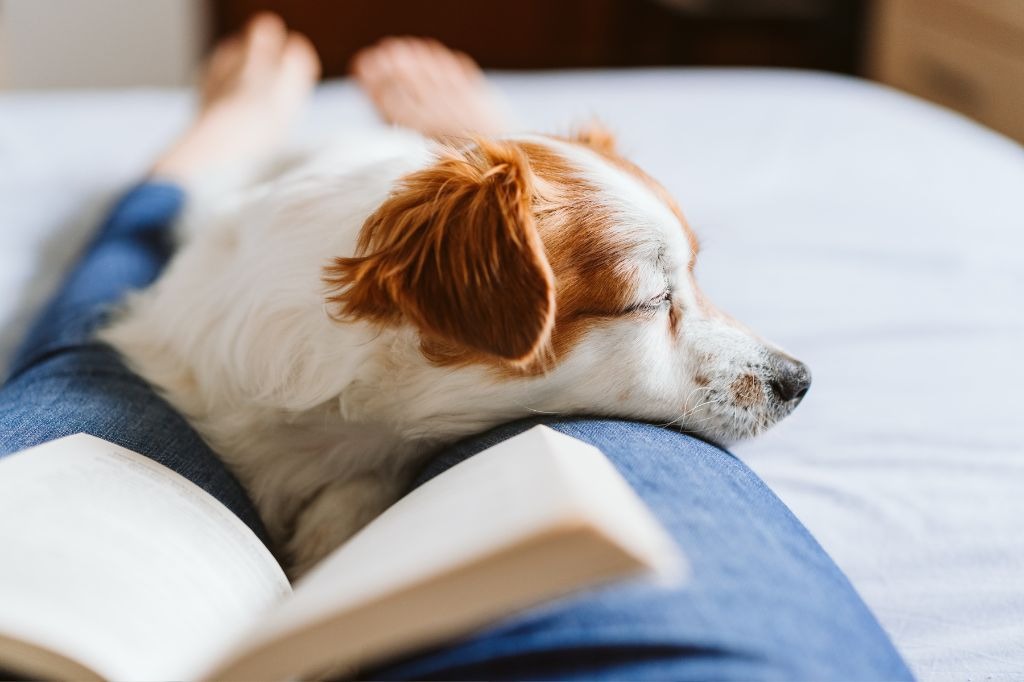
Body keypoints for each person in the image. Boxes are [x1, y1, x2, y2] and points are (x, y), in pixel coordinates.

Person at [0, 14, 913, 680]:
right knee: (124, 297)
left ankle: (460, 149)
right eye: (654, 302)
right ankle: (210, 162)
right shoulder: (449, 292)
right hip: (265, 270)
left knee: (75, 369)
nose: (760, 357)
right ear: (466, 301)